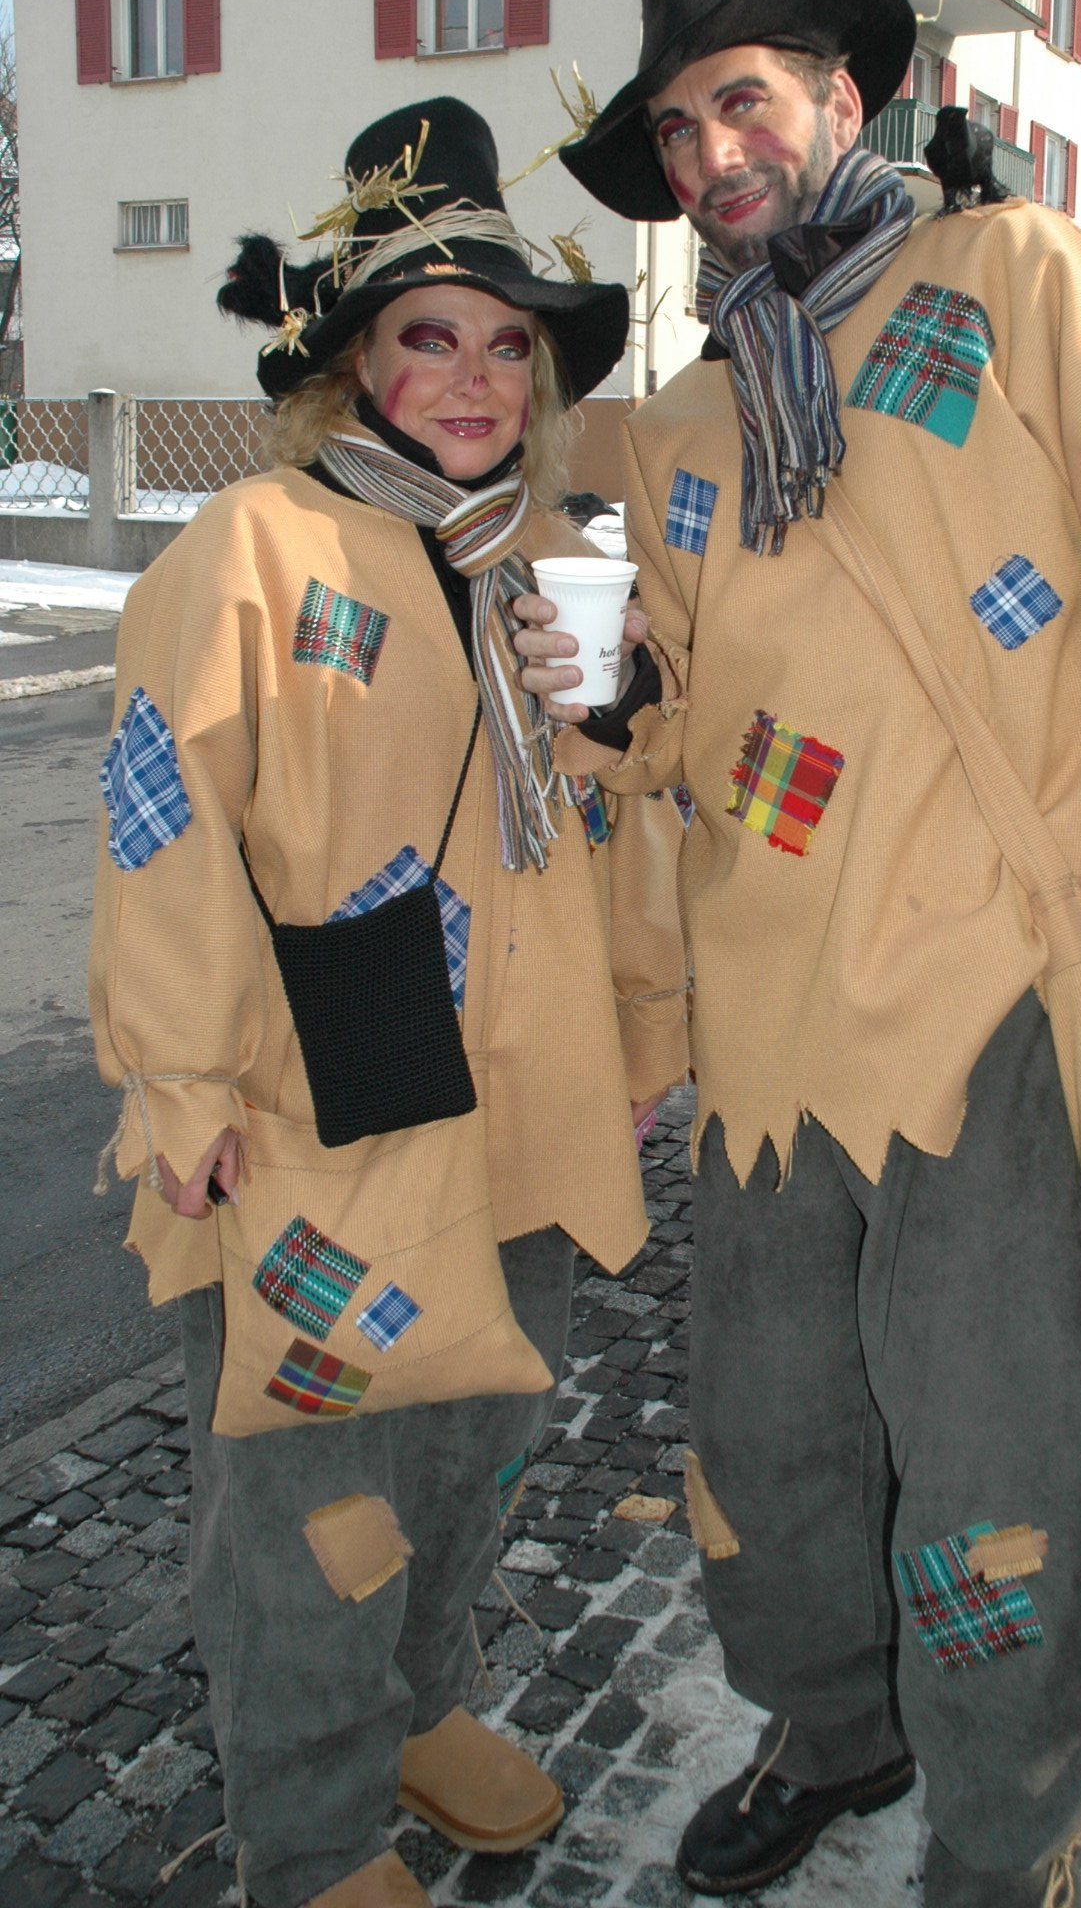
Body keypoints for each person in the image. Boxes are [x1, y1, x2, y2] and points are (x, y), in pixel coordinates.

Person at [515, 0, 1081, 1908]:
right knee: (768, 1437)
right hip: (772, 1008)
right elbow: (687, 718)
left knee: (979, 1446)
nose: (711, 154)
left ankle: (1008, 1814)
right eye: (676, 127)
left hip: (984, 990)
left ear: (844, 95)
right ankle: (836, 1726)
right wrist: (620, 697)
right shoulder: (689, 422)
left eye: (743, 100)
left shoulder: (1025, 278)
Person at [90, 97, 688, 1908]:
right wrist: (183, 1081)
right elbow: (160, 819)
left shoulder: (550, 549)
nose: (474, 378)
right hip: (319, 1109)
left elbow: (619, 820)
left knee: (475, 1450)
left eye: (508, 344)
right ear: (354, 358)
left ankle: (425, 1710)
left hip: (527, 1095)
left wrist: (618, 742)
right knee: (310, 1500)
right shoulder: (251, 548)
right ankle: (311, 1829)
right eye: (431, 335)